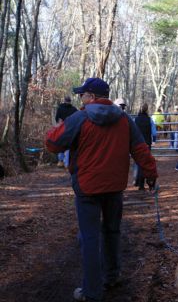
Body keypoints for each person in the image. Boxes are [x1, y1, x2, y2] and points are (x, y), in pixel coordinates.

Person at [45, 78, 158, 302]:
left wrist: (55, 130)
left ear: (92, 97)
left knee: (89, 237)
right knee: (112, 231)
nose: (80, 99)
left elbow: (53, 144)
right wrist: (151, 175)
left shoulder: (79, 118)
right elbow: (140, 149)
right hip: (114, 187)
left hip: (87, 188)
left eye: (82, 95)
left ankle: (92, 292)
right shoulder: (125, 119)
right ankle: (112, 276)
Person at [134, 103, 156, 190]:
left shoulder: (135, 119)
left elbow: (132, 131)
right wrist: (154, 140)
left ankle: (139, 182)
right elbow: (154, 132)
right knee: (146, 163)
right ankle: (146, 183)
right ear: (147, 110)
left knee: (138, 162)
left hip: (137, 144)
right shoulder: (149, 120)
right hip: (146, 144)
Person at [55, 95, 77, 167]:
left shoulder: (60, 108)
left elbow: (57, 118)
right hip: (71, 129)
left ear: (64, 100)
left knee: (61, 144)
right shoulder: (74, 109)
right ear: (70, 101)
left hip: (62, 128)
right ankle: (67, 163)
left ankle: (61, 161)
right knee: (69, 145)